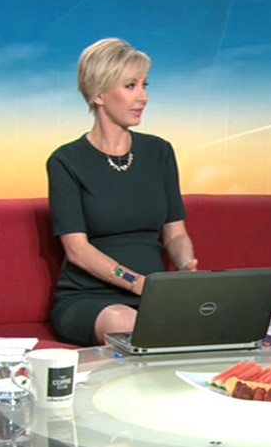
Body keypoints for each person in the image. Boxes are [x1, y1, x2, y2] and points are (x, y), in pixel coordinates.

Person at [46, 38, 197, 346]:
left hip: (155, 296)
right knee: (124, 321)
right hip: (90, 298)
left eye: (145, 85)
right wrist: (139, 284)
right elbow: (77, 250)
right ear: (98, 94)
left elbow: (175, 233)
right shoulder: (66, 161)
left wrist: (185, 267)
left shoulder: (159, 152)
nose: (143, 97)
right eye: (130, 86)